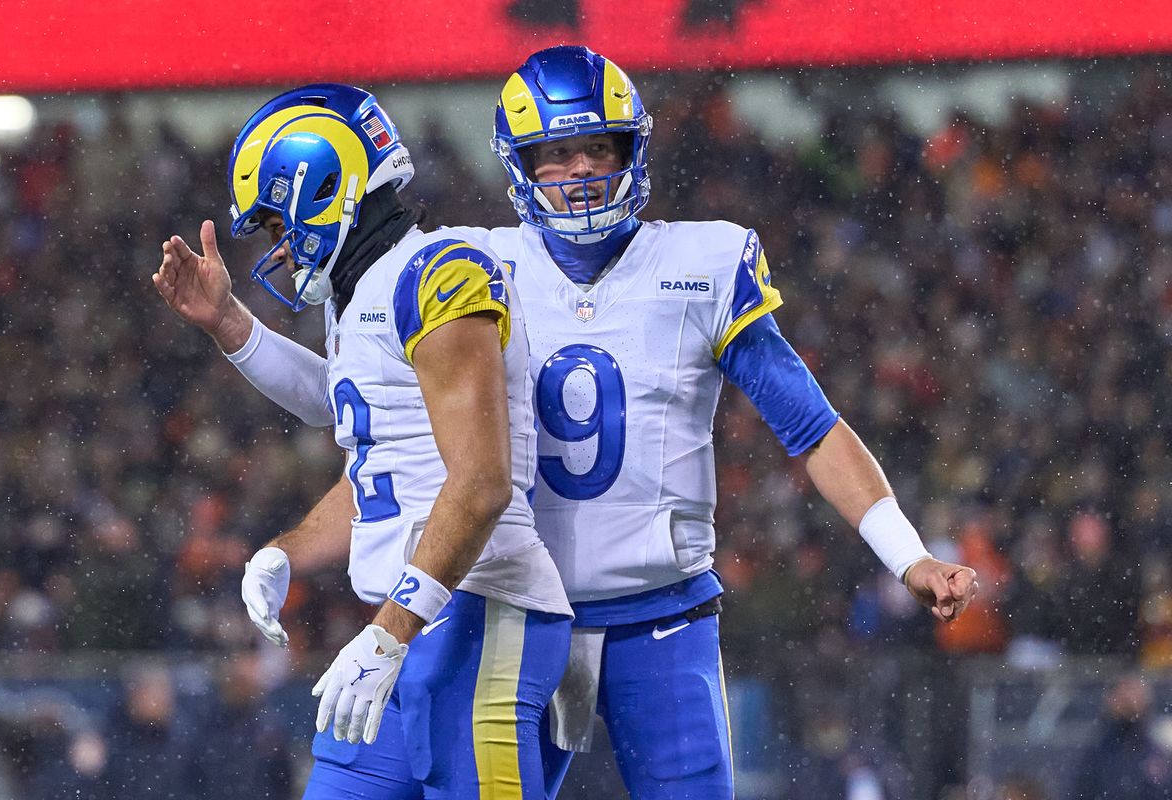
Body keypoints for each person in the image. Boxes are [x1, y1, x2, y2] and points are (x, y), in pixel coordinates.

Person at [215, 51, 980, 799]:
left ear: (631, 151)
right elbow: (396, 438)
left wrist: (908, 556)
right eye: (555, 154)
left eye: (597, 148)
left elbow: (811, 428)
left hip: (660, 616)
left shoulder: (700, 264)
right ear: (521, 165)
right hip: (503, 614)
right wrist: (231, 328)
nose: (580, 170)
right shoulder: (469, 266)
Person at [152, 83, 572, 799]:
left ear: (327, 184)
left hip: (481, 618)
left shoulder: (441, 272)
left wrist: (390, 632)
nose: (280, 248)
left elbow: (480, 483)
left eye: (280, 224)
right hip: (409, 621)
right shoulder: (366, 289)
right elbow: (371, 447)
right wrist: (288, 549)